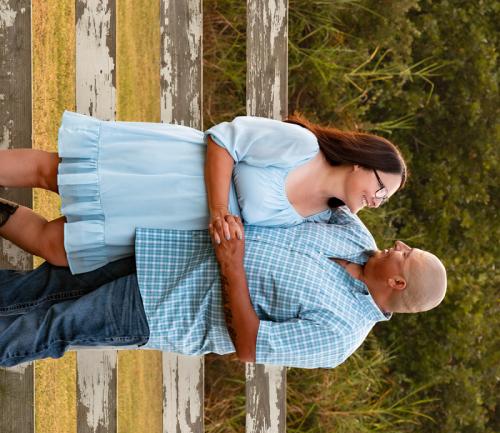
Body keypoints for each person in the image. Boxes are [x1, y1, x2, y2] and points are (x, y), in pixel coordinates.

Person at [0, 208, 447, 369]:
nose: (399, 245)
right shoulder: (353, 232)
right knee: (42, 285)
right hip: (163, 248)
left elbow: (249, 346)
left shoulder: (340, 338)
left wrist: (232, 266)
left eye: (406, 254)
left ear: (398, 283)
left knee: (49, 328)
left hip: (163, 308)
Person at [0, 111, 406, 274]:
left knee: (58, 247)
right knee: (55, 173)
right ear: (361, 161)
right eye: (380, 187)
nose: (377, 200)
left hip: (172, 223)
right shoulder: (302, 146)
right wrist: (217, 209)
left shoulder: (319, 217)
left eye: (384, 199)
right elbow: (223, 141)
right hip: (173, 171)